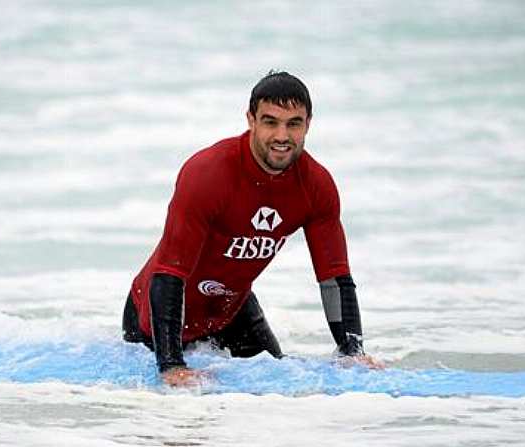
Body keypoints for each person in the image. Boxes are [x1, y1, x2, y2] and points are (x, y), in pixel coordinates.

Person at [122, 71, 382, 387]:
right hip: (155, 317)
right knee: (179, 418)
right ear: (251, 120)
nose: (282, 136)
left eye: (294, 123)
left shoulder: (316, 186)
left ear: (308, 124)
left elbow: (334, 277)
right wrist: (171, 364)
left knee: (281, 390)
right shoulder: (208, 173)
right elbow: (170, 273)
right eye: (271, 122)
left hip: (231, 311)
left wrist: (352, 351)